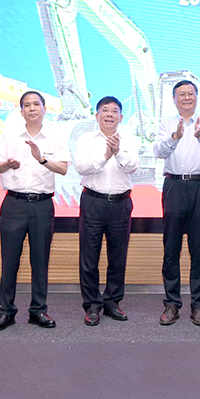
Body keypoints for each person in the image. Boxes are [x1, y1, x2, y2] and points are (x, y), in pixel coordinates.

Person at [0, 91, 70, 332]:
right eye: (27, 105)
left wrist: (41, 159)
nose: (32, 108)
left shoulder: (55, 137)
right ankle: (6, 312)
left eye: (36, 104)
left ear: (45, 109)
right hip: (14, 204)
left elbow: (63, 169)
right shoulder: (10, 135)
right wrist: (8, 164)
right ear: (21, 111)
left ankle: (38, 311)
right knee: (9, 260)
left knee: (40, 260)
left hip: (42, 206)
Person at [153, 80, 200, 326]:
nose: (186, 97)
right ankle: (172, 303)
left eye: (190, 93)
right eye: (181, 94)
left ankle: (198, 305)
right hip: (173, 186)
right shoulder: (166, 123)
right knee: (171, 249)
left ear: (196, 96)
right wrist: (175, 137)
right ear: (174, 99)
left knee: (198, 249)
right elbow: (159, 152)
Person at [75, 96, 138, 326]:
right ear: (97, 115)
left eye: (114, 111)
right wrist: (105, 157)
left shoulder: (129, 138)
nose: (109, 114)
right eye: (105, 110)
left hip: (121, 204)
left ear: (120, 117)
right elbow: (81, 167)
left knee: (118, 257)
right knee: (89, 258)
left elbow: (133, 166)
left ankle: (112, 303)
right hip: (93, 201)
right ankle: (92, 305)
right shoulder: (85, 139)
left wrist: (118, 151)